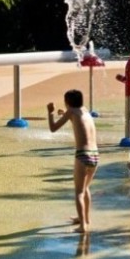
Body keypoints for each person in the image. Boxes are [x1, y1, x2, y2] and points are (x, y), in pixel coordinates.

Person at [47, 89, 99, 233]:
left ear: (68, 102)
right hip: (95, 155)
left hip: (83, 154)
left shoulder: (71, 112)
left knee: (78, 192)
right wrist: (64, 113)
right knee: (85, 188)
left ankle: (83, 226)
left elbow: (53, 128)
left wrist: (50, 112)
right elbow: (75, 116)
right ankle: (85, 219)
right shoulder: (85, 111)